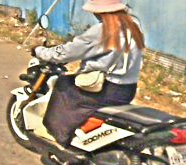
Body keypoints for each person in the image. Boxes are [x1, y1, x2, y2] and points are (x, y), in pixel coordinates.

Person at [33, 0, 144, 147]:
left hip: (106, 90)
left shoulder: (102, 31)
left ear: (101, 12)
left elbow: (67, 52)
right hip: (127, 90)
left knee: (63, 84)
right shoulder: (134, 25)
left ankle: (58, 134)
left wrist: (39, 51)